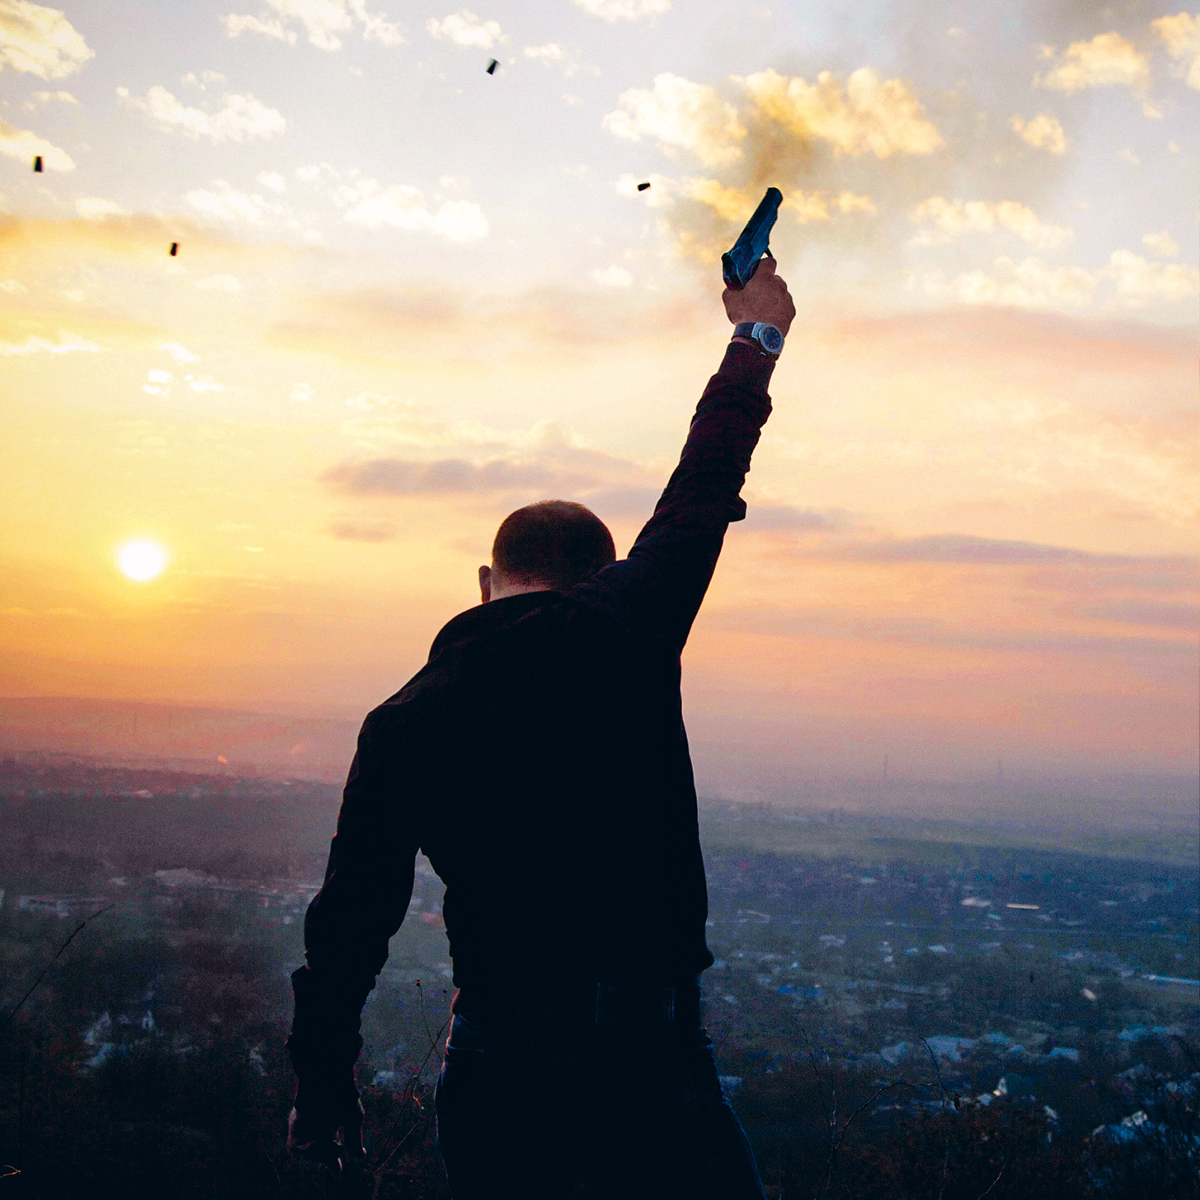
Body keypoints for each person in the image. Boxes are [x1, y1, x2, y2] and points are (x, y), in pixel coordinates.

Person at [286, 260, 796, 1198]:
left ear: (486, 582)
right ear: (605, 571)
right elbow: (701, 485)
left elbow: (351, 926)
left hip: (504, 1060)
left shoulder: (404, 719)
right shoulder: (629, 624)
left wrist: (322, 1085)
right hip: (652, 1051)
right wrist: (754, 335)